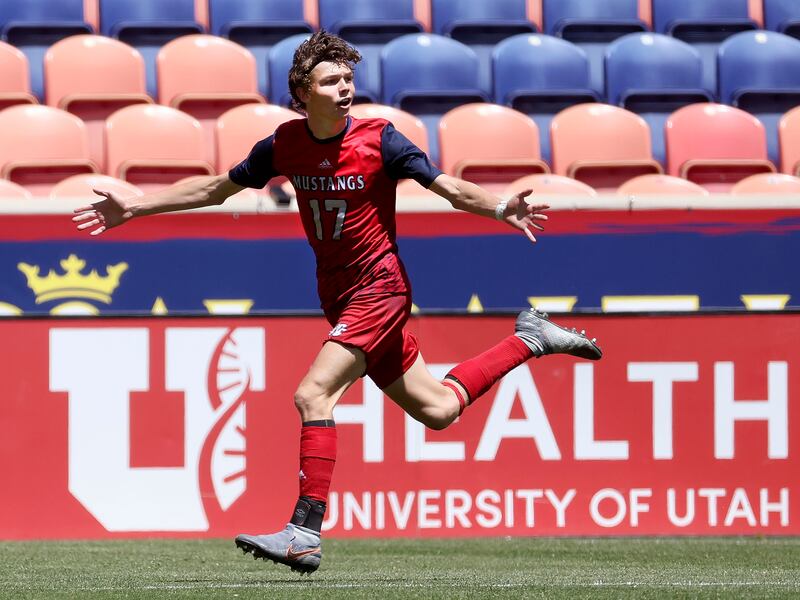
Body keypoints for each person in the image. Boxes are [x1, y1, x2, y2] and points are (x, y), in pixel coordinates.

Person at [73, 31, 602, 575]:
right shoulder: (282, 145)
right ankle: (532, 338)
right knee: (439, 410)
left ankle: (304, 533)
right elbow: (214, 190)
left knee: (312, 394)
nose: (345, 86)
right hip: (339, 295)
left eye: (349, 78)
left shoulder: (381, 140)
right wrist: (135, 207)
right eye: (331, 80)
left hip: (381, 288)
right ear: (303, 91)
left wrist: (497, 208)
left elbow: (446, 186)